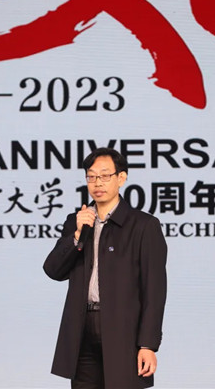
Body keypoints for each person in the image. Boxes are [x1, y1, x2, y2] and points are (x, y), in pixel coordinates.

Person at [43, 148, 167, 388]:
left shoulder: (143, 225)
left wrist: (148, 344)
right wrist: (77, 235)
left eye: (104, 175)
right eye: (91, 176)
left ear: (121, 178)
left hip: (124, 330)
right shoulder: (77, 221)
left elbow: (154, 291)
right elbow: (53, 270)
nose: (97, 183)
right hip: (81, 327)